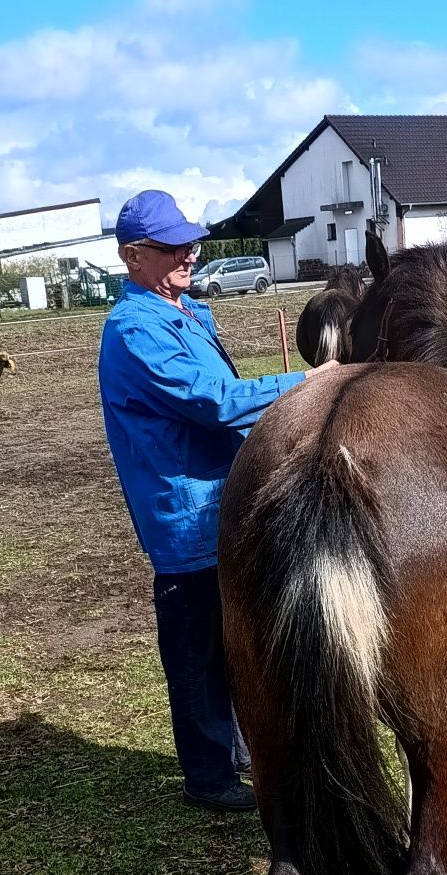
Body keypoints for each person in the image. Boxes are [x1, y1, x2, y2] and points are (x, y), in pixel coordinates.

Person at [98, 190, 334, 812]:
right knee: (198, 650)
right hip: (187, 510)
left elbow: (227, 393)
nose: (189, 253)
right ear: (132, 258)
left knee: (235, 638)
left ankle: (235, 749)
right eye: (171, 246)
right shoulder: (135, 329)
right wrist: (306, 384)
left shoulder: (185, 311)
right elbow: (215, 401)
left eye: (190, 241)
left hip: (226, 498)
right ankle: (208, 774)